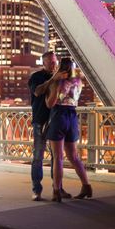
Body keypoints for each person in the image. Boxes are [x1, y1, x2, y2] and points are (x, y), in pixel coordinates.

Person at [45, 57, 92, 202]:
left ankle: (57, 191)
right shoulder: (78, 82)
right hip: (72, 117)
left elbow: (50, 104)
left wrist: (54, 83)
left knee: (58, 157)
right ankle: (86, 186)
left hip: (59, 116)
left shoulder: (58, 82)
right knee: (74, 156)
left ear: (60, 67)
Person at [28, 51, 71, 201]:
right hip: (40, 121)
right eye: (50, 62)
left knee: (57, 158)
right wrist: (54, 79)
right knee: (38, 156)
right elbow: (38, 91)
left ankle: (57, 188)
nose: (54, 65)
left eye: (55, 62)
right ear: (43, 63)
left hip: (56, 121)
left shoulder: (60, 77)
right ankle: (36, 190)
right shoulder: (36, 77)